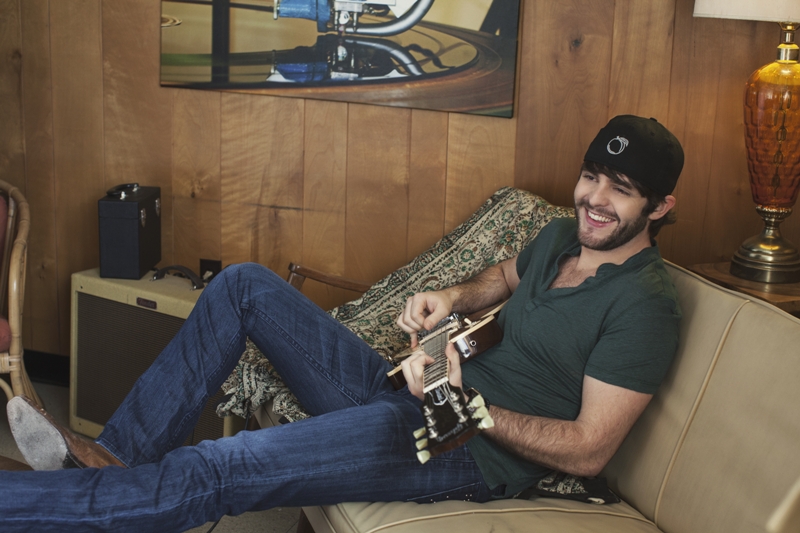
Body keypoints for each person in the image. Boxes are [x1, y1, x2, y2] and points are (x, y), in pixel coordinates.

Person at [2, 115, 683, 533]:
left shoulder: (645, 305)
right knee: (243, 285)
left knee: (222, 464)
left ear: (659, 207)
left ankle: (50, 500)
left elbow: (589, 449)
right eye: (592, 176)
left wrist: (463, 404)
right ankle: (116, 462)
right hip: (409, 389)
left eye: (620, 190)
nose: (595, 199)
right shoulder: (562, 236)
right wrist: (448, 298)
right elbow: (503, 277)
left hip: (459, 446)